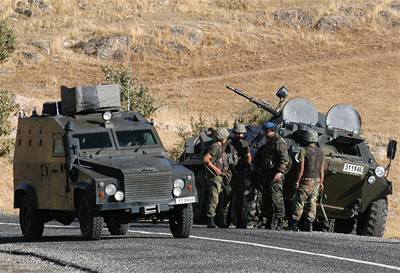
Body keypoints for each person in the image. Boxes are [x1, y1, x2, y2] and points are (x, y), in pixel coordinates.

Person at [254, 121, 290, 230]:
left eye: (266, 132)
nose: (265, 134)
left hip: (276, 174)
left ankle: (280, 220)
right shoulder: (270, 142)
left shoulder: (279, 142)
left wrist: (280, 172)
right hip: (267, 173)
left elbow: (285, 159)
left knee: (277, 198)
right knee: (266, 198)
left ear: (271, 131)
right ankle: (267, 220)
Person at [289, 129, 325, 232]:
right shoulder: (321, 152)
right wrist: (321, 182)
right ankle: (309, 224)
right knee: (312, 202)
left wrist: (297, 181)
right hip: (317, 180)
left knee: (300, 201)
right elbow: (322, 169)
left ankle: (294, 223)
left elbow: (301, 169)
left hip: (306, 180)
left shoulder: (304, 151)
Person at [203, 127, 231, 228]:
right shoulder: (215, 147)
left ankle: (220, 220)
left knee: (222, 197)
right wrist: (216, 169)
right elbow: (206, 159)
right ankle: (210, 219)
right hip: (215, 176)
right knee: (214, 197)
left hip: (221, 175)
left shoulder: (220, 147)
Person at [230, 121, 252, 228]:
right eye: (238, 133)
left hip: (240, 173)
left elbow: (248, 157)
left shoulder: (245, 144)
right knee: (228, 197)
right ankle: (229, 219)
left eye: (241, 134)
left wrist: (248, 167)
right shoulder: (229, 144)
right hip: (230, 173)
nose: (240, 136)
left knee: (240, 198)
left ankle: (239, 220)